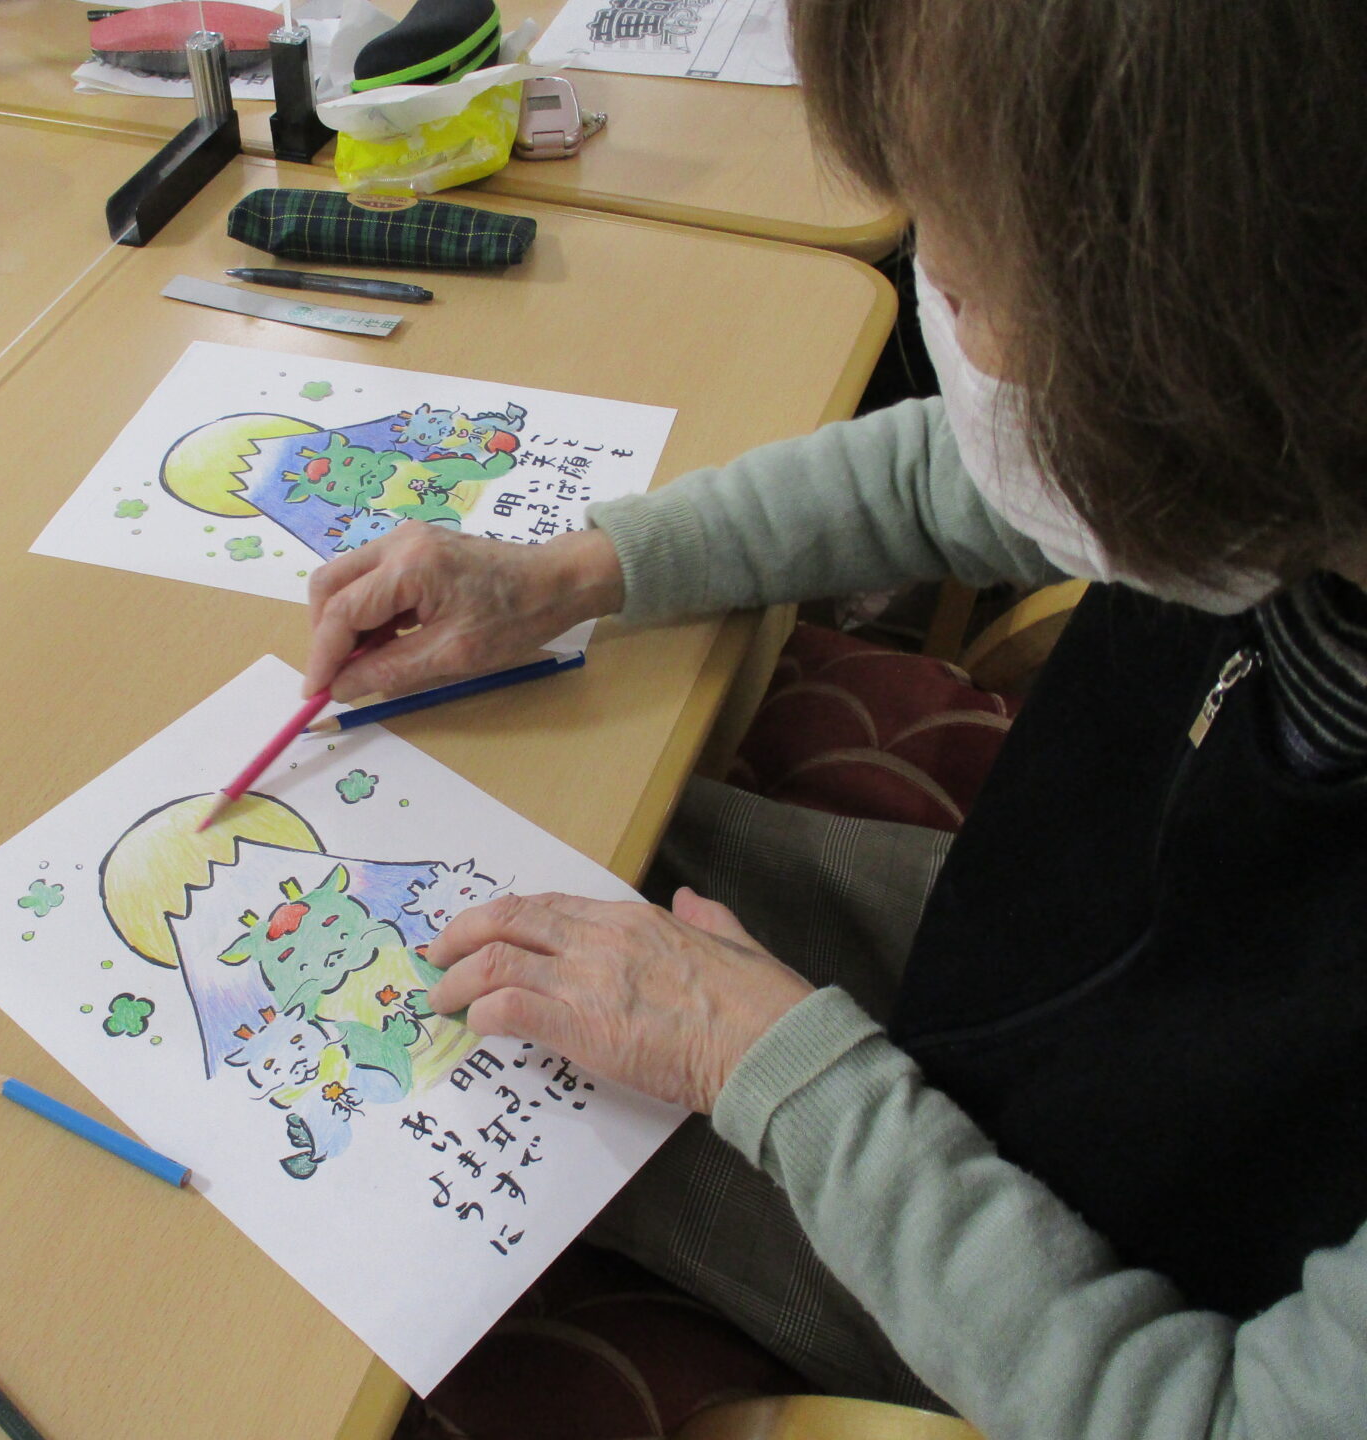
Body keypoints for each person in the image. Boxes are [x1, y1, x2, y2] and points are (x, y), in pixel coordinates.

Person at [299, 0, 1367, 1434]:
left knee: (400, 1175)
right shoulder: (1272, 453)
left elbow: (1205, 1416)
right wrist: (564, 575)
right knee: (547, 841)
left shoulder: (1231, 444)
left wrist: (761, 1064)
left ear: (1209, 367)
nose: (940, 314)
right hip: (1071, 955)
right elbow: (965, 475)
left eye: (966, 291)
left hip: (1080, 1288)